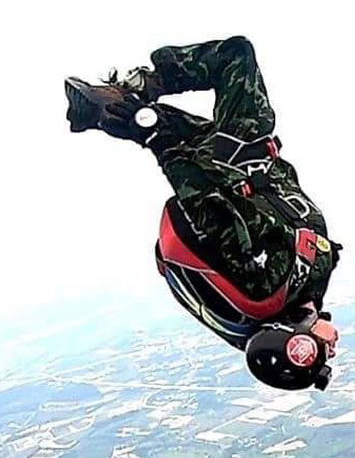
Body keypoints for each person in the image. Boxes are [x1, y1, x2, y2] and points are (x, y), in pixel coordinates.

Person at [65, 37, 341, 390]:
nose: (332, 348)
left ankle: (142, 87)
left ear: (295, 335)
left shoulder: (265, 287)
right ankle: (102, 109)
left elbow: (209, 209)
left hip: (232, 161)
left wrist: (156, 139)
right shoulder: (301, 291)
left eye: (318, 351)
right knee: (133, 110)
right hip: (244, 163)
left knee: (235, 56)